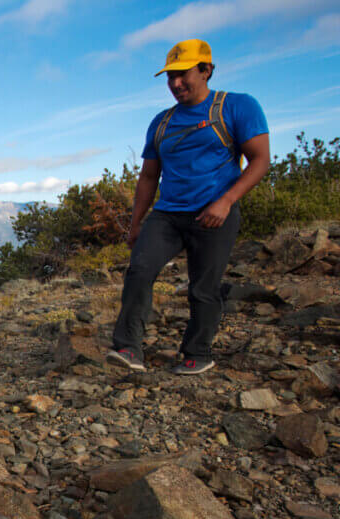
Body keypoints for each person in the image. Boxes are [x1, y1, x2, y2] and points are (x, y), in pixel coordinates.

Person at [107, 39, 270, 375]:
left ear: (206, 70)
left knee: (203, 286)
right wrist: (136, 224)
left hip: (214, 212)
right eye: (170, 77)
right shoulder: (161, 122)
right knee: (139, 271)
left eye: (183, 74)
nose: (176, 84)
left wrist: (225, 202)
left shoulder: (236, 107)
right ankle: (128, 348)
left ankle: (197, 352)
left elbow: (260, 160)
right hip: (167, 214)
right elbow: (149, 176)